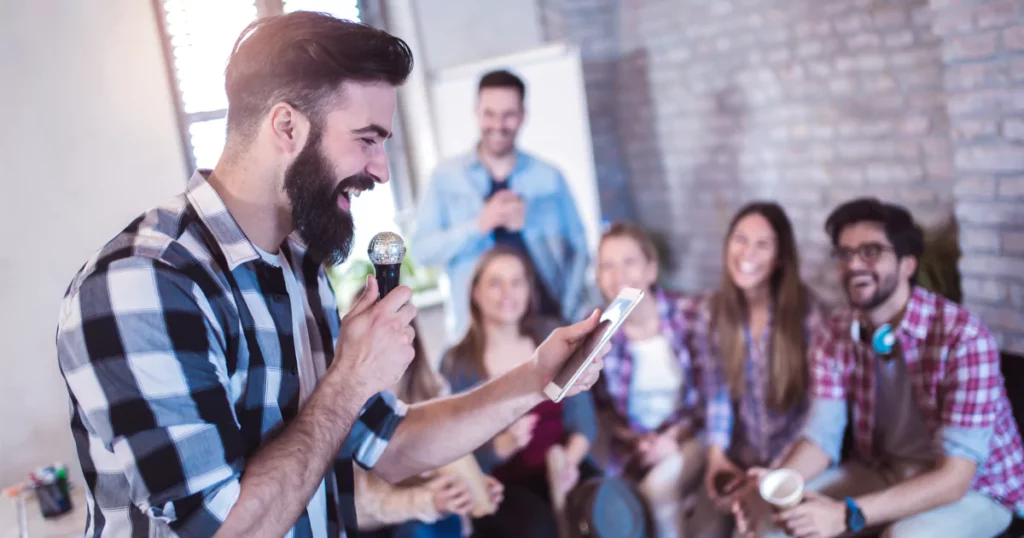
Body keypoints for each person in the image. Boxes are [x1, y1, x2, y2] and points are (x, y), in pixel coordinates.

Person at [54, 13, 608, 538]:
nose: (381, 170)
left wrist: (537, 378)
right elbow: (225, 530)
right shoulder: (144, 284)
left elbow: (390, 444)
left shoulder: (299, 267)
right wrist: (351, 378)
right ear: (287, 126)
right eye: (367, 139)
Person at [734, 198, 1024, 538]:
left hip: (979, 488)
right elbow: (821, 436)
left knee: (902, 536)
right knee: (775, 526)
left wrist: (847, 514)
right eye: (845, 253)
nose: (855, 263)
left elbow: (954, 478)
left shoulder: (964, 337)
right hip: (885, 470)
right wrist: (775, 484)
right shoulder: (835, 331)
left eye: (871, 251)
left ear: (907, 265)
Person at [411, 69, 589, 339]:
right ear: (476, 113)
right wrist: (479, 225)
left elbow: (579, 249)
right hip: (474, 335)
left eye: (508, 115)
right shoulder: (445, 178)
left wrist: (568, 311)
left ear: (522, 116)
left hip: (546, 328)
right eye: (489, 114)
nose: (498, 125)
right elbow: (422, 252)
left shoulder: (549, 177)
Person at [441, 247, 599, 538]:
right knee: (537, 528)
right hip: (503, 487)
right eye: (495, 283)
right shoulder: (457, 364)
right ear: (475, 292)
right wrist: (499, 447)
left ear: (528, 289)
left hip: (563, 462)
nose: (507, 293)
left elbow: (584, 422)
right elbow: (453, 452)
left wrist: (568, 463)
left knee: (606, 511)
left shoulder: (552, 336)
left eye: (517, 282)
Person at [689, 202, 823, 538]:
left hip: (791, 460)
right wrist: (716, 457)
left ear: (780, 258)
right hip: (741, 457)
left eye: (762, 244)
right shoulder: (713, 311)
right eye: (740, 239)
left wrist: (773, 470)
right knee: (699, 530)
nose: (747, 252)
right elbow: (717, 393)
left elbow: (816, 414)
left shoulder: (810, 315)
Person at [591, 222, 707, 538]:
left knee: (657, 488)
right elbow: (601, 409)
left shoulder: (690, 314)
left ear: (651, 270)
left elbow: (712, 398)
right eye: (608, 266)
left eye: (630, 262)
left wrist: (671, 440)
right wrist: (637, 441)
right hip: (633, 445)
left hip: (691, 434)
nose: (619, 276)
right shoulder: (596, 333)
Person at [353, 328, 502, 538]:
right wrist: (430, 502)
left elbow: (450, 456)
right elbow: (368, 500)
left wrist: (472, 484)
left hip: (430, 508)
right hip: (380, 522)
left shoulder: (433, 386)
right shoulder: (355, 401)